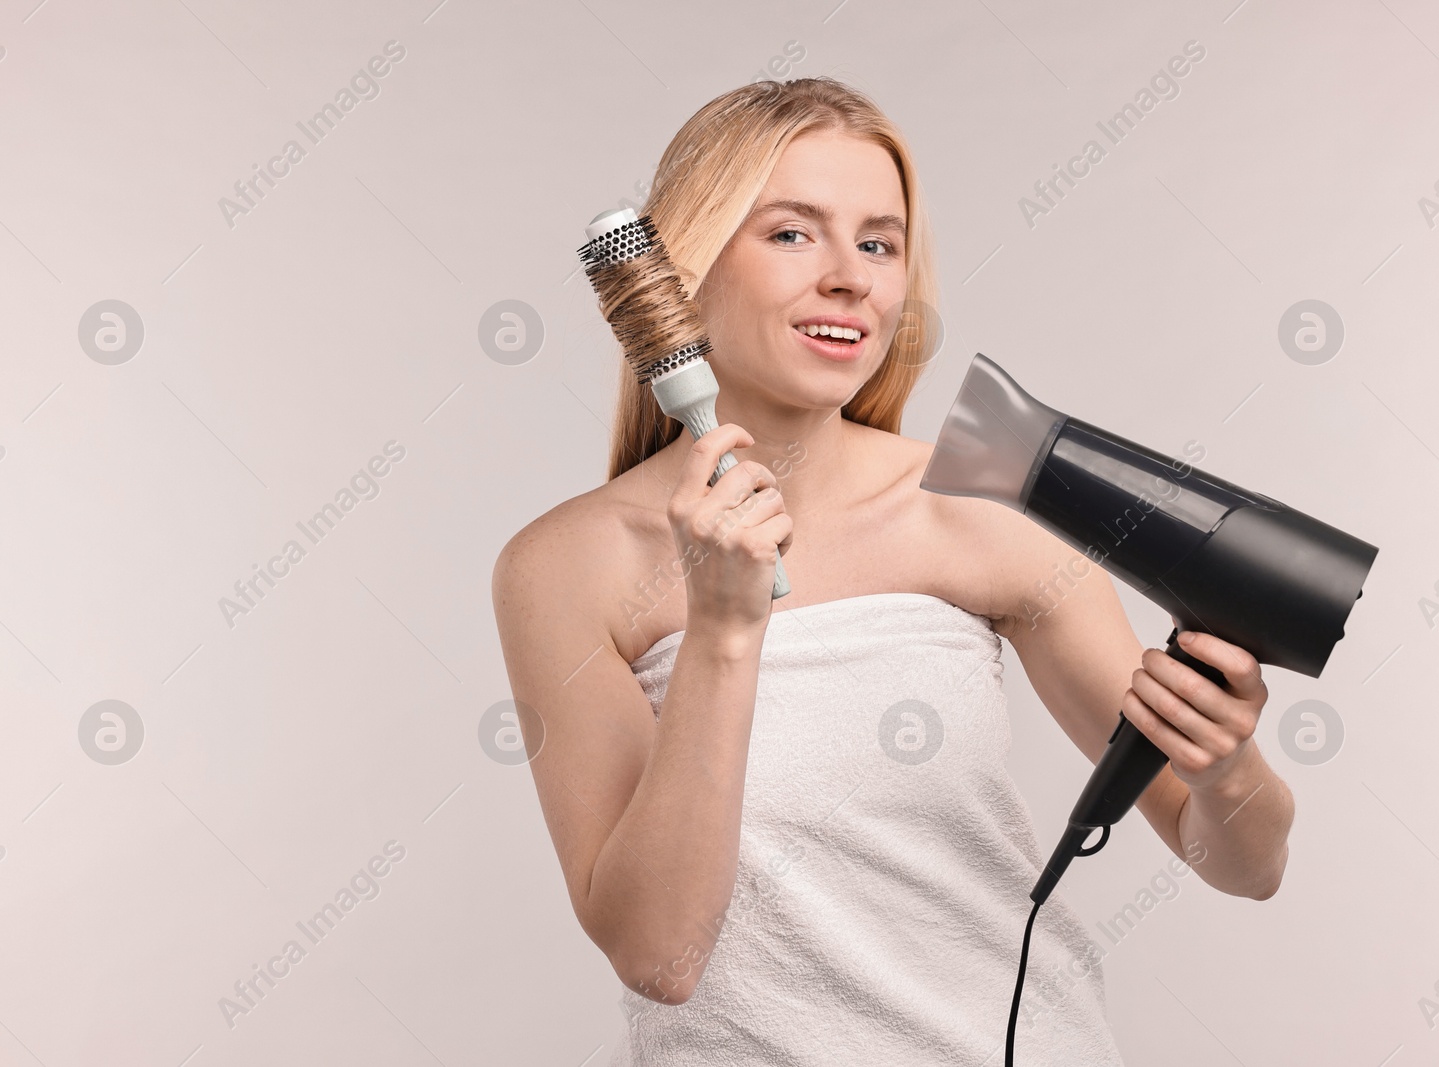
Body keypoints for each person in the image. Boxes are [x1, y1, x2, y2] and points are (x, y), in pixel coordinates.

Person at [491, 76, 1292, 1066]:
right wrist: (725, 634)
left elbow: (1244, 865)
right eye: (792, 233)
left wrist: (1226, 768)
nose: (849, 278)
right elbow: (659, 954)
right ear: (680, 276)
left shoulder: (988, 510)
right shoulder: (564, 565)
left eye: (878, 242)